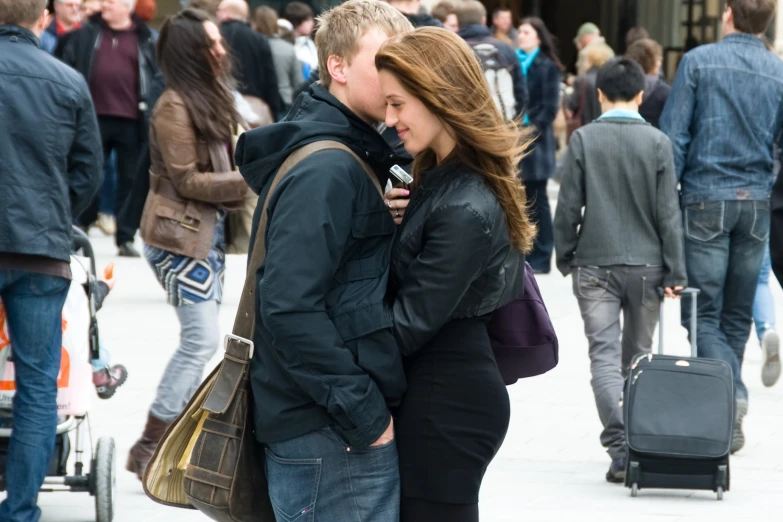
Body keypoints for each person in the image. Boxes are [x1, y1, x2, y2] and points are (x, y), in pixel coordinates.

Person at [234, 1, 412, 520]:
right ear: (338, 67)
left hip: (321, 420)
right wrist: (365, 415)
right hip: (327, 429)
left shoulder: (347, 152)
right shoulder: (328, 167)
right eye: (382, 60)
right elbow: (288, 305)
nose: (395, 74)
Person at [377, 27, 531, 522]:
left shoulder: (463, 203)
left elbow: (408, 324)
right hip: (444, 389)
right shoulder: (441, 174)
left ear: (436, 92)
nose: (389, 118)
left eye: (398, 104)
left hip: (448, 402)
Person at [126, 8, 251, 481]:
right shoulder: (175, 106)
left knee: (200, 342)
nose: (222, 50)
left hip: (203, 235)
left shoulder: (209, 96)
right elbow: (186, 179)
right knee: (198, 341)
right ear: (190, 53)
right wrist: (247, 180)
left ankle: (169, 443)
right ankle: (149, 446)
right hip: (178, 238)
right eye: (212, 43)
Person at [554, 57, 686, 484]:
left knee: (604, 358)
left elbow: (568, 206)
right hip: (647, 265)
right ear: (642, 95)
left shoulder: (584, 140)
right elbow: (669, 214)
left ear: (599, 93)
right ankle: (636, 444)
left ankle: (620, 448)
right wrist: (676, 271)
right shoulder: (659, 142)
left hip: (594, 262)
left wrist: (566, 253)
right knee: (638, 359)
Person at [661, 0, 783, 455]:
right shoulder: (778, 70)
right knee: (733, 316)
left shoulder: (698, 61)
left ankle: (732, 396)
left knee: (701, 314)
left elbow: (674, 138)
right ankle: (725, 408)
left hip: (704, 199)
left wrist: (664, 209)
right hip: (756, 203)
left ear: (728, 14)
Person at [0, 0, 102, 518]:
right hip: (40, 250)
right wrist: (56, 214)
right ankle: (19, 510)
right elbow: (89, 172)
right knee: (37, 385)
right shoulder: (65, 80)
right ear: (42, 18)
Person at [56, 0, 159, 258]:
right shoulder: (86, 34)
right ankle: (81, 224)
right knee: (88, 171)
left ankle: (125, 236)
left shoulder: (146, 38)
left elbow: (155, 75)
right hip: (92, 118)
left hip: (132, 119)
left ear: (127, 7)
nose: (104, 5)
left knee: (131, 178)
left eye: (111, 1)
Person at [516, 17, 563, 274]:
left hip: (536, 141)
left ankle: (543, 255)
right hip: (513, 139)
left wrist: (529, 132)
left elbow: (549, 107)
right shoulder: (514, 61)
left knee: (538, 198)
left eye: (525, 32)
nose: (520, 36)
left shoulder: (547, 66)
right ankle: (526, 251)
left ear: (538, 37)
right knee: (521, 199)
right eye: (520, 31)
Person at [455, 1, 526, 122]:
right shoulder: (505, 48)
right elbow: (520, 91)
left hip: (468, 126)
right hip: (502, 123)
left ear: (457, 22)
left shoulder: (454, 49)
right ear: (483, 20)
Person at [217, 0, 281, 119]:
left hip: (219, 107)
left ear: (226, 13)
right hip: (255, 110)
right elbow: (270, 80)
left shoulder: (214, 36)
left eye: (218, 11)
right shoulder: (259, 39)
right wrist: (273, 113)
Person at [252, 6, 304, 116]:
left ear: (255, 23)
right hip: (286, 103)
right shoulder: (288, 48)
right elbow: (298, 82)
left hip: (256, 105)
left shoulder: (251, 47)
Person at [625, 38, 670, 128]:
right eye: (659, 59)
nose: (660, 63)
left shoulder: (621, 86)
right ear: (654, 62)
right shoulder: (665, 93)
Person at [568, 40, 615, 126]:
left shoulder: (581, 80)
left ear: (590, 61)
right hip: (606, 127)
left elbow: (572, 105)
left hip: (585, 128)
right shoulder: (611, 80)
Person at [283, 1, 317, 78]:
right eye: (307, 20)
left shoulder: (309, 43)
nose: (312, 23)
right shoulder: (287, 45)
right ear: (296, 22)